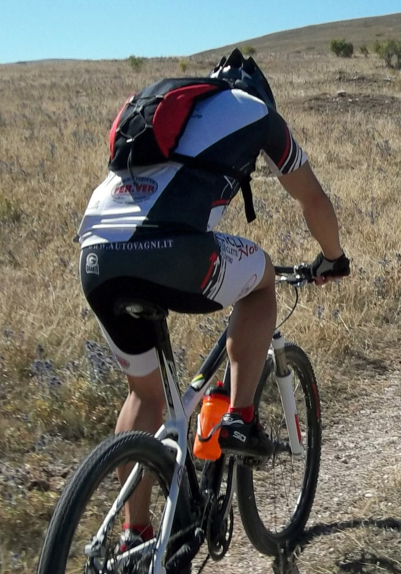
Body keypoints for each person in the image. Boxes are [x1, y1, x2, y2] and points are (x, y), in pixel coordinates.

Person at [77, 50, 348, 547]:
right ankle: (239, 418)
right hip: (171, 248)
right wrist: (334, 257)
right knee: (262, 280)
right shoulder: (257, 112)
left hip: (96, 255)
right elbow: (312, 196)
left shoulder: (169, 116)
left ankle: (133, 539)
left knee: (146, 396)